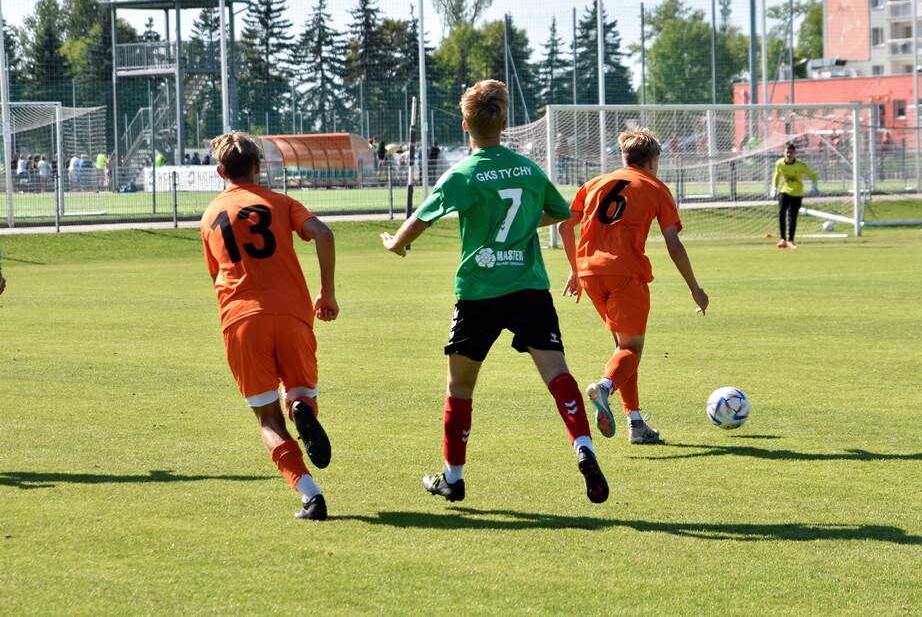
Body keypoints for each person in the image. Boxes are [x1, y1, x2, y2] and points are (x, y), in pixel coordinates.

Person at [381, 79, 608, 505]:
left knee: (460, 387)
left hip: (478, 293)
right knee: (558, 375)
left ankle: (453, 477)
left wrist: (396, 244)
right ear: (505, 123)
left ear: (465, 125)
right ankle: (584, 447)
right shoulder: (528, 169)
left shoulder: (462, 174)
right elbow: (563, 213)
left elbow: (419, 219)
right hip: (529, 288)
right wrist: (522, 224)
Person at [200, 131, 339, 520]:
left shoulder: (210, 214)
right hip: (293, 315)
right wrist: (326, 294)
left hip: (242, 320)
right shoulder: (280, 202)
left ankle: (310, 496)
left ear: (219, 171)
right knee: (299, 396)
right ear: (259, 167)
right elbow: (324, 234)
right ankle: (300, 408)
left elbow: (216, 278)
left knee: (267, 417)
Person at [558, 128, 709, 445]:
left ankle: (636, 423)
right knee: (630, 350)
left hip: (589, 273)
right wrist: (694, 288)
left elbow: (564, 224)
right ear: (653, 162)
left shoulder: (595, 183)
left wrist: (574, 269)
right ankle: (604, 388)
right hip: (625, 274)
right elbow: (674, 244)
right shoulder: (656, 187)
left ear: (625, 157)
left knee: (622, 349)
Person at [770, 142, 818, 249]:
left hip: (797, 193)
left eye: (791, 152)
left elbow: (813, 174)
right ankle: (783, 239)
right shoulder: (779, 163)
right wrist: (774, 188)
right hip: (784, 191)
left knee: (792, 216)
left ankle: (791, 241)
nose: (788, 154)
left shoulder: (799, 165)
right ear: (784, 152)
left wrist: (814, 186)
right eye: (787, 152)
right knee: (781, 213)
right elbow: (776, 176)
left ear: (794, 153)